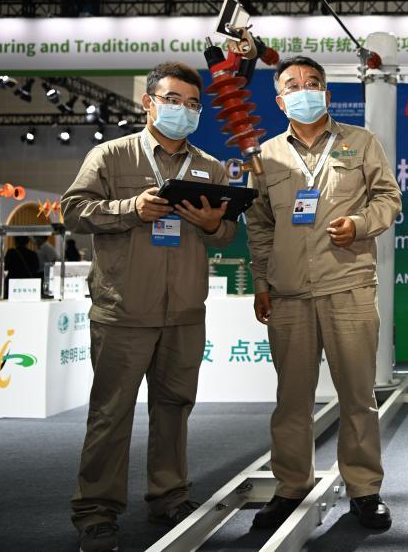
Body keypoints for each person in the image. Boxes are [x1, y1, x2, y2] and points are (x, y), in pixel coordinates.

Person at [61, 61, 238, 552]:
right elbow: (73, 211)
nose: (184, 110)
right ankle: (96, 510)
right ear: (149, 102)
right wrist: (130, 209)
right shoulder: (110, 156)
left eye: (193, 104)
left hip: (184, 312)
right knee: (111, 413)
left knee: (174, 409)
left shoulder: (210, 167)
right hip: (124, 309)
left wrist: (212, 225)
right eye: (173, 100)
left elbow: (226, 233)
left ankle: (169, 495)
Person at [246, 56, 401, 531]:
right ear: (280, 101)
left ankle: (364, 490)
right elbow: (259, 225)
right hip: (289, 293)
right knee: (292, 400)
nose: (304, 90)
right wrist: (261, 282)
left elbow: (389, 198)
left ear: (327, 94)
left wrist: (360, 223)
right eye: (292, 85)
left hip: (348, 285)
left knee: (357, 396)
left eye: (312, 83)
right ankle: (290, 486)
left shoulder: (361, 142)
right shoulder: (266, 155)